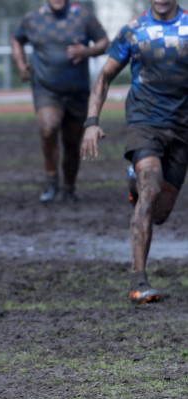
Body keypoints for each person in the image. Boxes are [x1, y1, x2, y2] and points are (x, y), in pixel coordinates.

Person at [81, 0, 188, 305]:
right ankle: (138, 280)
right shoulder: (134, 30)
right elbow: (104, 77)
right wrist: (91, 122)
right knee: (151, 190)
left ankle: (134, 184)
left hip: (181, 129)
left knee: (161, 213)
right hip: (145, 123)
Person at [11, 0, 108, 204]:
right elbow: (16, 39)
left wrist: (86, 52)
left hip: (77, 92)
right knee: (48, 127)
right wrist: (21, 64)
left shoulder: (83, 17)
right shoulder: (33, 19)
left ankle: (69, 188)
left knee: (72, 143)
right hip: (46, 90)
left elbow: (104, 42)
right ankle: (51, 178)